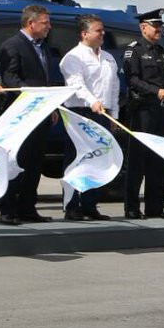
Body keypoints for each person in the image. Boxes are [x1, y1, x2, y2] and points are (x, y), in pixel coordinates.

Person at [0, 4, 63, 225]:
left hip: (41, 114)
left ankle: (27, 208)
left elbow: (45, 81)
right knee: (19, 161)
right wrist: (33, 98)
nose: (49, 27)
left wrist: (50, 106)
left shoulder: (43, 47)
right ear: (30, 23)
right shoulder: (12, 45)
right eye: (45, 23)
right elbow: (10, 79)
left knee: (35, 163)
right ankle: (8, 209)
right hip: (22, 114)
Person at [122, 8, 164, 220]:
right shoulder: (134, 50)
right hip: (142, 112)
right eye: (155, 26)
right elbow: (132, 80)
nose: (159, 30)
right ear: (143, 27)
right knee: (137, 162)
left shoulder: (160, 52)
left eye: (160, 26)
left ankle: (155, 207)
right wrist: (155, 91)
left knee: (158, 160)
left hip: (161, 112)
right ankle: (132, 208)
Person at [58, 14, 118, 221]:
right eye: (98, 30)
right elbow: (76, 84)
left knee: (98, 158)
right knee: (77, 158)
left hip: (102, 114)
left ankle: (90, 204)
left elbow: (114, 89)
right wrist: (92, 101)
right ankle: (72, 205)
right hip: (80, 113)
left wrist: (113, 115)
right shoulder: (73, 57)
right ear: (84, 34)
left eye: (103, 30)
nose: (102, 34)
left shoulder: (108, 57)